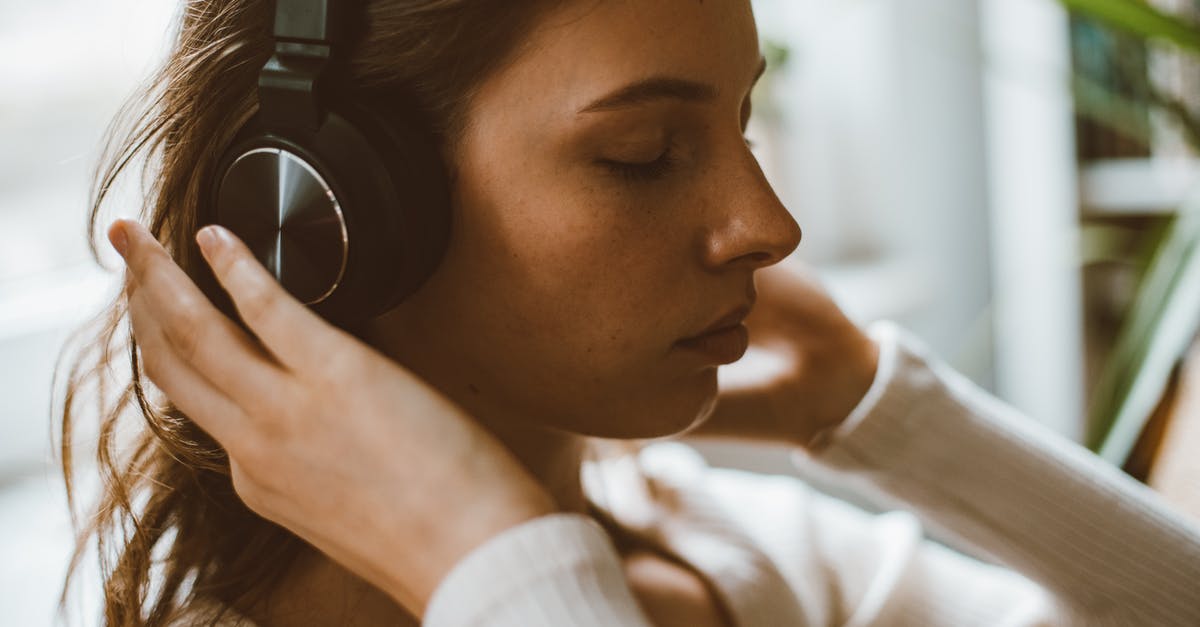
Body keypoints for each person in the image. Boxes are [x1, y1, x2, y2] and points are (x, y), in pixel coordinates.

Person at [59, 0, 1200, 625]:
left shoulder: (739, 558)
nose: (769, 224)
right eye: (644, 154)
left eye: (743, 124)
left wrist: (881, 410)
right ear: (344, 210)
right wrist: (489, 558)